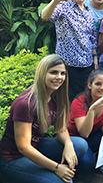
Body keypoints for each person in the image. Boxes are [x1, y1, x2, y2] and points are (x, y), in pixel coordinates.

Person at [0, 54, 88, 183]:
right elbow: (24, 147)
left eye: (62, 73)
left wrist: (68, 145)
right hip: (13, 159)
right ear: (42, 73)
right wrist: (56, 168)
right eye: (54, 72)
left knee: (79, 145)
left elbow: (61, 129)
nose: (59, 77)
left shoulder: (58, 97)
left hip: (36, 146)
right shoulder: (26, 103)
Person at [41, 0, 97, 102]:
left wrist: (95, 59)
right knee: (68, 100)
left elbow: (92, 37)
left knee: (85, 99)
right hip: (68, 65)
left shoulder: (89, 11)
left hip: (87, 63)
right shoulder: (63, 7)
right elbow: (45, 16)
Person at [68, 69, 103, 175]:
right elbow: (84, 133)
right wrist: (91, 110)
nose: (102, 88)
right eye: (98, 84)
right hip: (75, 139)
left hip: (92, 136)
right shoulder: (79, 102)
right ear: (89, 85)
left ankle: (101, 162)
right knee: (87, 163)